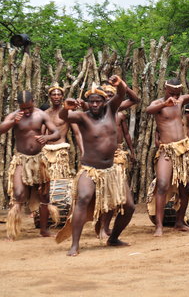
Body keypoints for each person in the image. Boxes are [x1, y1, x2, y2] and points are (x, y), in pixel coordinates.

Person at [57, 76, 135, 256]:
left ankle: (113, 238)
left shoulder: (111, 110)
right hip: (90, 169)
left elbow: (123, 94)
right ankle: (75, 245)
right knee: (83, 198)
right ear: (87, 103)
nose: (94, 105)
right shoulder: (82, 117)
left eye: (98, 101)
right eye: (91, 102)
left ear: (104, 101)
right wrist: (65, 108)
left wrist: (119, 84)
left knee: (129, 206)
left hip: (112, 169)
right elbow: (65, 116)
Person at [146, 61, 189, 237]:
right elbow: (148, 110)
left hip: (183, 150)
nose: (174, 96)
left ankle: (179, 222)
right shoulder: (158, 104)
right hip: (167, 150)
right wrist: (164, 105)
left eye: (177, 93)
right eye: (171, 93)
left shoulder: (181, 101)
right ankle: (158, 225)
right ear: (165, 89)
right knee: (162, 184)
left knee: (185, 187)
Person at [0, 91, 61, 240]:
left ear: (33, 101)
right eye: (23, 108)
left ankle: (44, 230)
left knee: (44, 195)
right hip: (21, 160)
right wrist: (13, 122)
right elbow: (0, 130)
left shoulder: (41, 115)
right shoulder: (14, 116)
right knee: (18, 194)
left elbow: (56, 132)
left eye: (29, 108)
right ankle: (12, 232)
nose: (26, 111)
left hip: (39, 159)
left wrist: (47, 137)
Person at [95, 79, 140, 239]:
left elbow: (136, 100)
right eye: (105, 95)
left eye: (111, 95)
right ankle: (102, 228)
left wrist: (124, 86)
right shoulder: (97, 112)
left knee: (116, 193)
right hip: (103, 158)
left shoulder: (119, 112)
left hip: (119, 156)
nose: (108, 98)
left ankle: (107, 228)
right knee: (106, 192)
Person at [42, 84, 84, 180]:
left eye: (59, 94)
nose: (56, 97)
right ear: (50, 97)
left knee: (58, 181)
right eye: (54, 94)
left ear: (62, 96)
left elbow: (77, 133)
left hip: (60, 152)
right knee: (45, 181)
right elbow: (42, 134)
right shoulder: (45, 114)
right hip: (46, 151)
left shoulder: (68, 113)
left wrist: (83, 152)